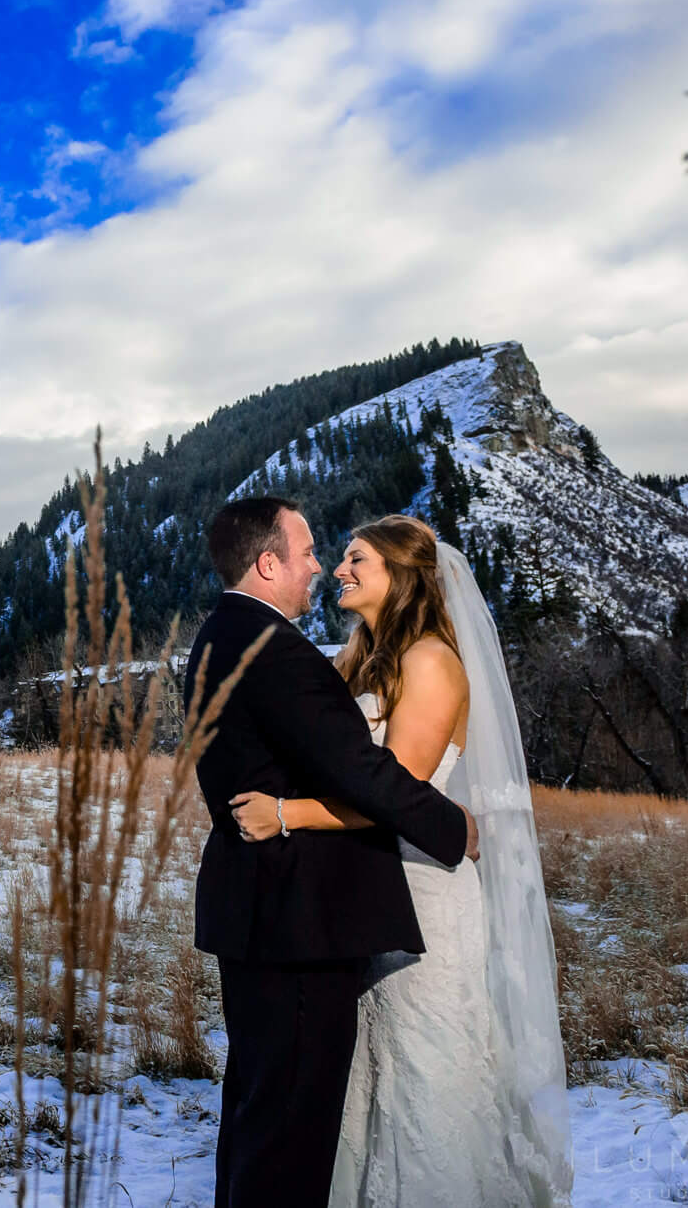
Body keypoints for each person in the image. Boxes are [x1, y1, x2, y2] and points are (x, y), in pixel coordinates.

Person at [230, 514, 571, 1207]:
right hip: (366, 898)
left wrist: (285, 814)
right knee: (365, 1084)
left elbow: (396, 794)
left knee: (425, 1075)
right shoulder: (359, 657)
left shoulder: (430, 661)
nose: (339, 569)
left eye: (357, 558)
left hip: (426, 896)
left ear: (401, 574)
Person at [187, 498, 477, 1208]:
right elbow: (364, 773)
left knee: (264, 1114)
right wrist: (454, 828)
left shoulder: (223, 634)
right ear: (267, 563)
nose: (323, 564)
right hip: (299, 920)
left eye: (346, 554)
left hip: (275, 911)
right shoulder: (275, 649)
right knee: (287, 1131)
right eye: (311, 549)